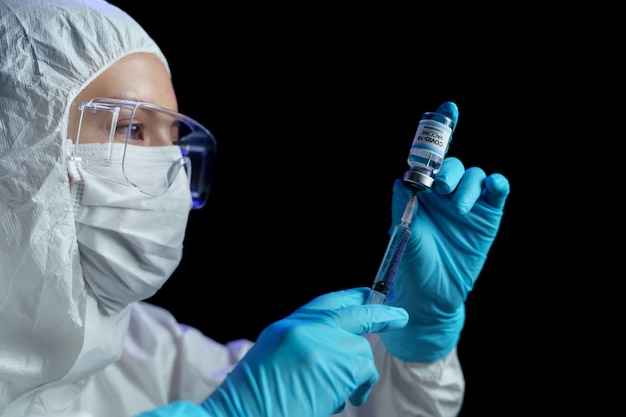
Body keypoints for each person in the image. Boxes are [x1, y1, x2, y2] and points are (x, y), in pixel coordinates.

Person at [0, 0, 510, 416]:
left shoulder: (139, 350)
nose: (170, 168)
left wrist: (416, 343)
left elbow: (337, 402)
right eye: (133, 129)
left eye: (175, 140)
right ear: (20, 140)